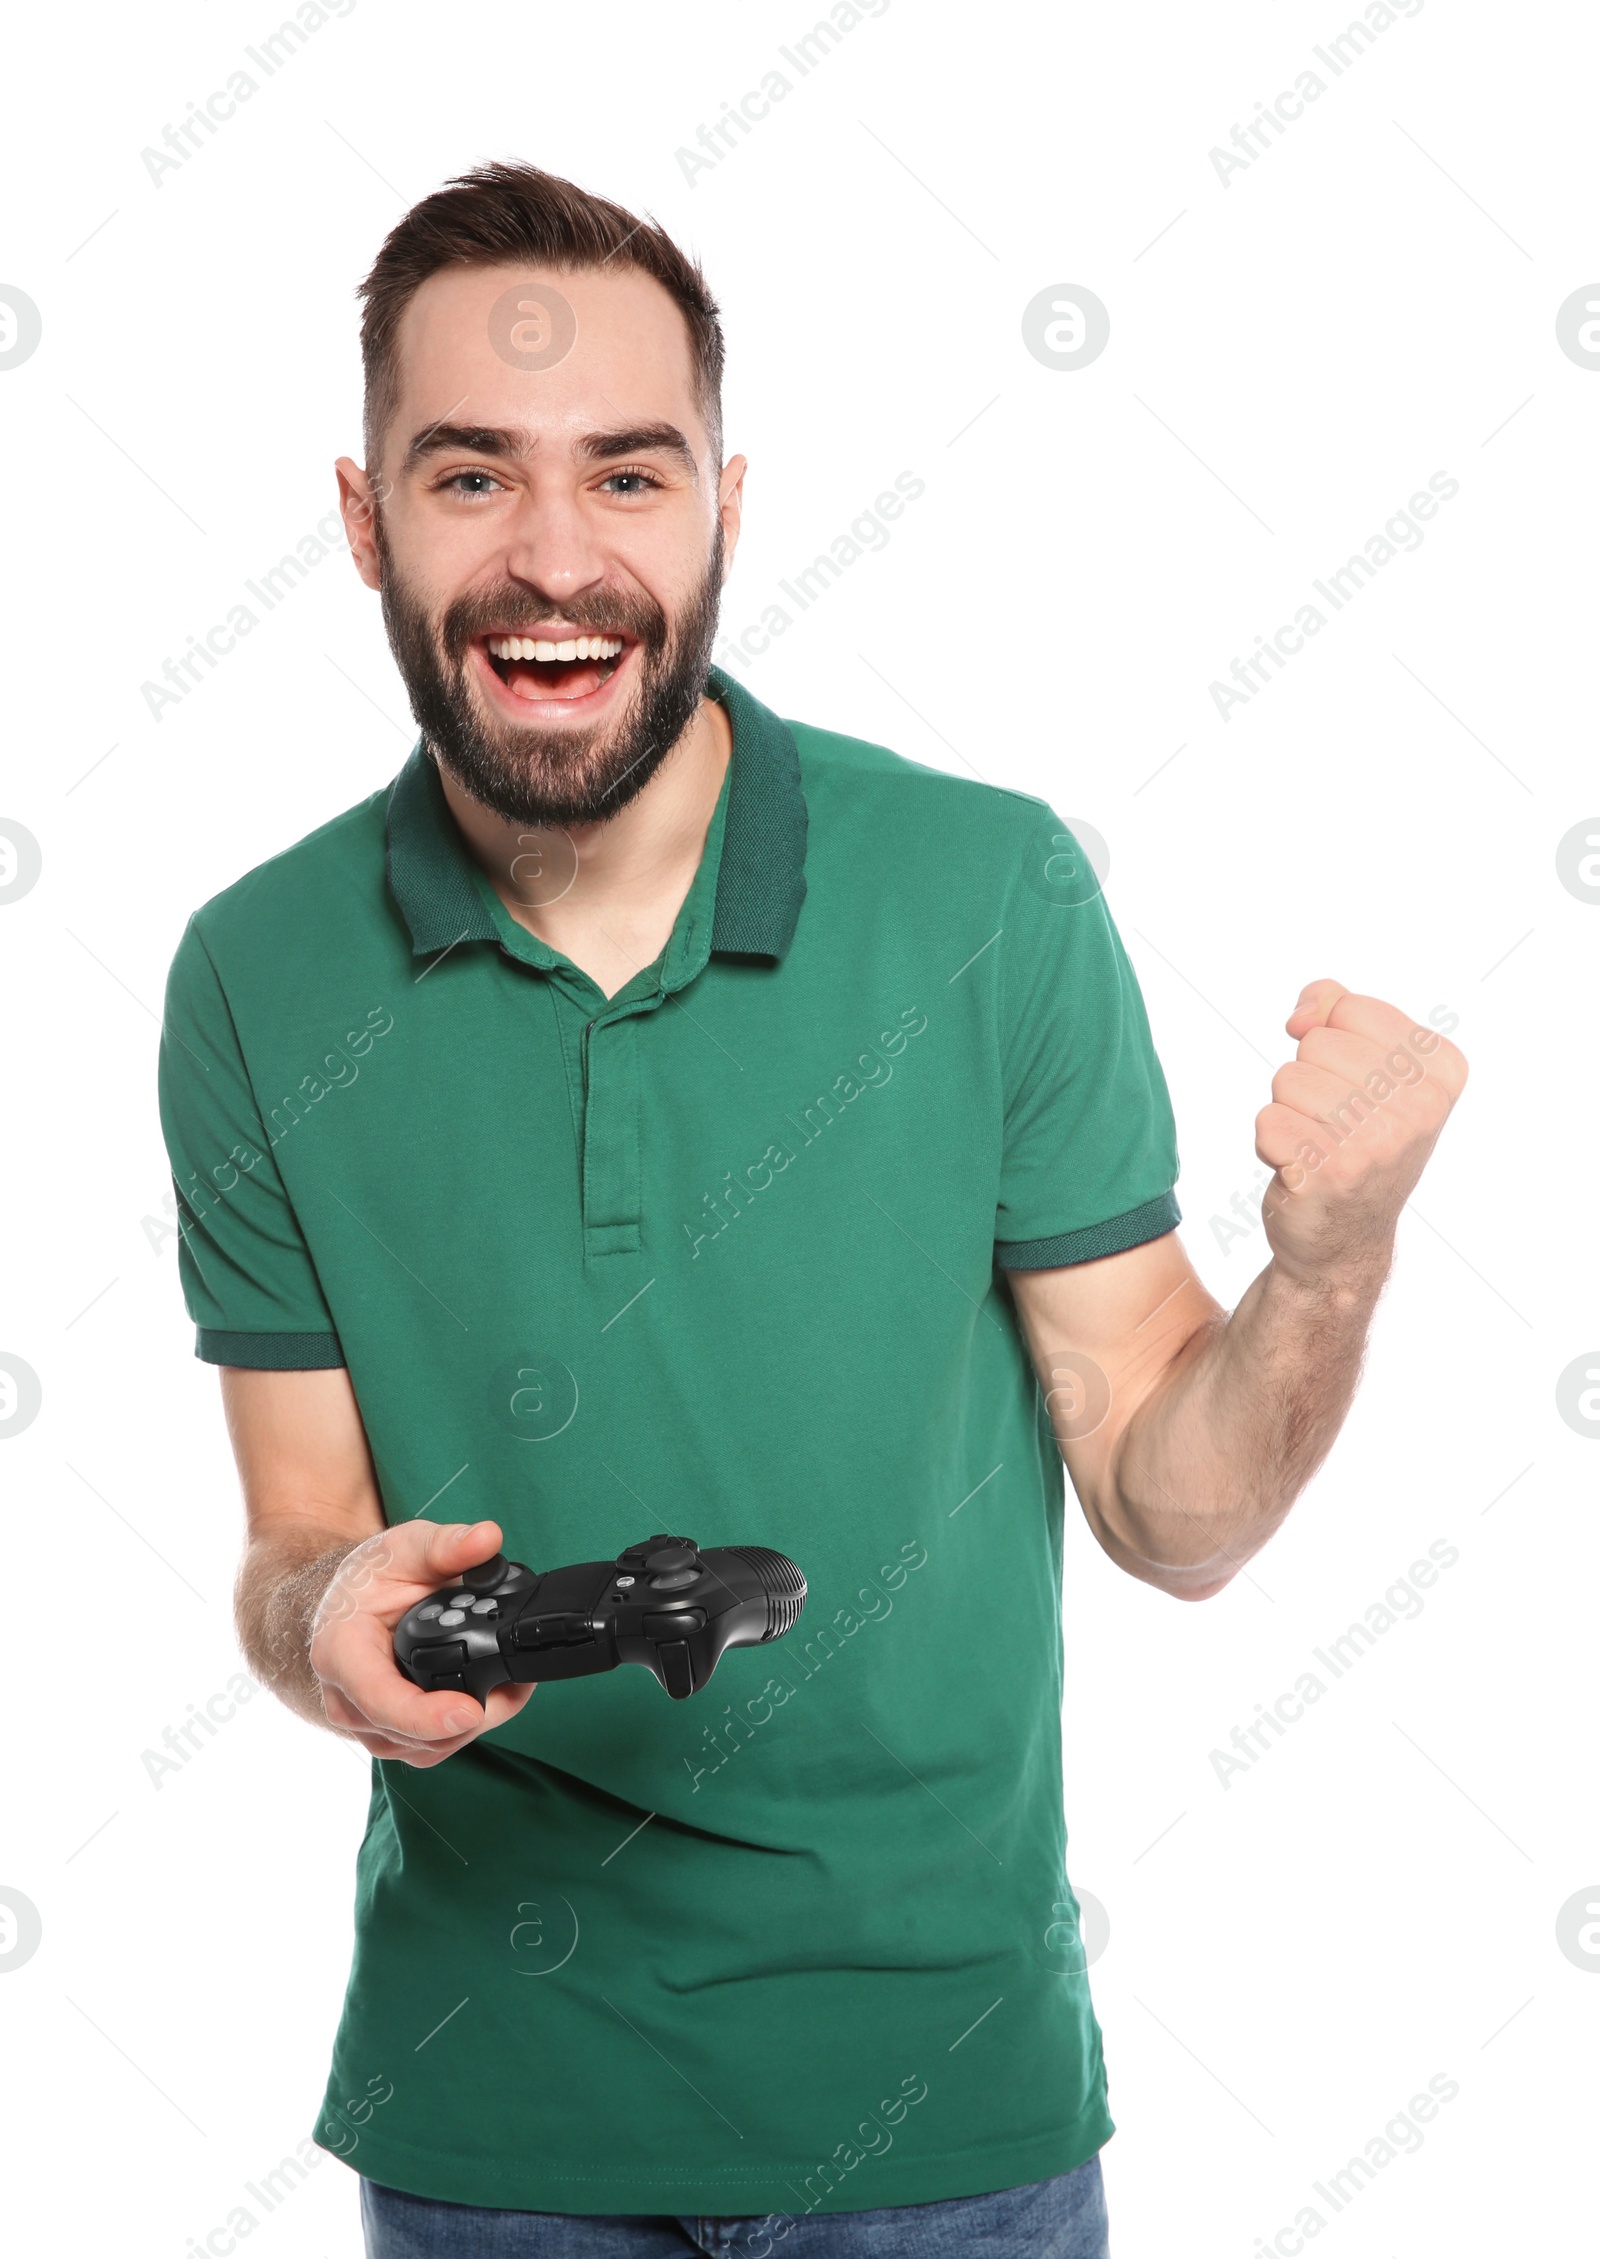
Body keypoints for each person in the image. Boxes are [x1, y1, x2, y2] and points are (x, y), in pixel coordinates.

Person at [156, 161, 1467, 2259]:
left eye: (629, 475)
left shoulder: (986, 894)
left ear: (726, 509)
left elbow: (1168, 1504)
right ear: (363, 516)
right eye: (471, 476)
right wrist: (323, 1623)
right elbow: (296, 1532)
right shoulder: (257, 974)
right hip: (500, 2126)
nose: (556, 559)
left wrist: (1327, 1268)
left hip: (951, 2118)